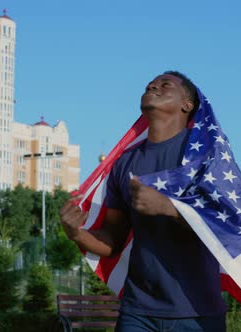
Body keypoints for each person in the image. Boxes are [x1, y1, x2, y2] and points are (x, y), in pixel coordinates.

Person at [59, 71, 226, 332]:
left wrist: (169, 208)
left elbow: (225, 226)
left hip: (197, 312)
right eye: (151, 84)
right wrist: (76, 234)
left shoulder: (208, 154)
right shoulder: (124, 163)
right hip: (137, 311)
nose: (152, 86)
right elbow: (112, 242)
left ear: (187, 105)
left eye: (165, 84)